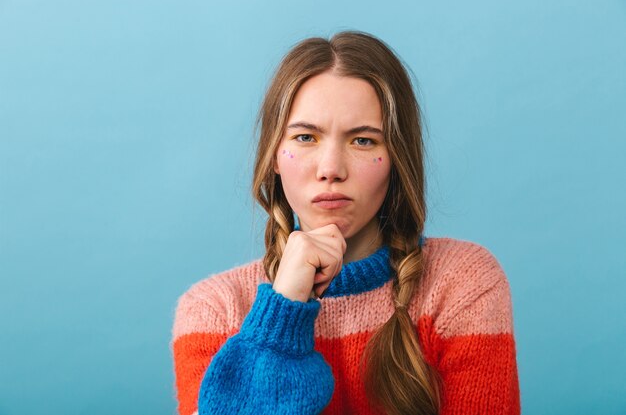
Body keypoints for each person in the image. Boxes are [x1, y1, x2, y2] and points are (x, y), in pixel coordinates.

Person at [171, 30, 520, 415]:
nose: (331, 169)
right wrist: (282, 312)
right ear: (273, 155)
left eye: (363, 141)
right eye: (305, 137)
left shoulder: (464, 284)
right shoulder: (215, 310)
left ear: (396, 158)